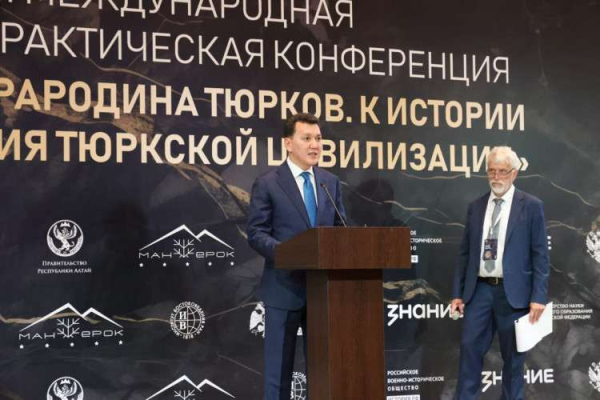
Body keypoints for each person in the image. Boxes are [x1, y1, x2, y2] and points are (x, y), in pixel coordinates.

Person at [247, 112, 346, 400]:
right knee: (279, 377)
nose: (315, 145)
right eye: (307, 138)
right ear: (288, 144)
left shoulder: (330, 182)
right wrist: (286, 254)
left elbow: (340, 229)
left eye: (318, 138)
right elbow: (256, 233)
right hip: (284, 288)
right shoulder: (268, 183)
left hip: (322, 292)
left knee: (324, 375)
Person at [451, 146, 550, 400]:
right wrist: (457, 293)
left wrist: (538, 296)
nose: (496, 177)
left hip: (514, 295)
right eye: (491, 171)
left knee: (514, 361)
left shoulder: (531, 206)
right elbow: (465, 253)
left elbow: (540, 255)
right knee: (469, 352)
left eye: (502, 171)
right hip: (479, 291)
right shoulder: (476, 206)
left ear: (514, 173)